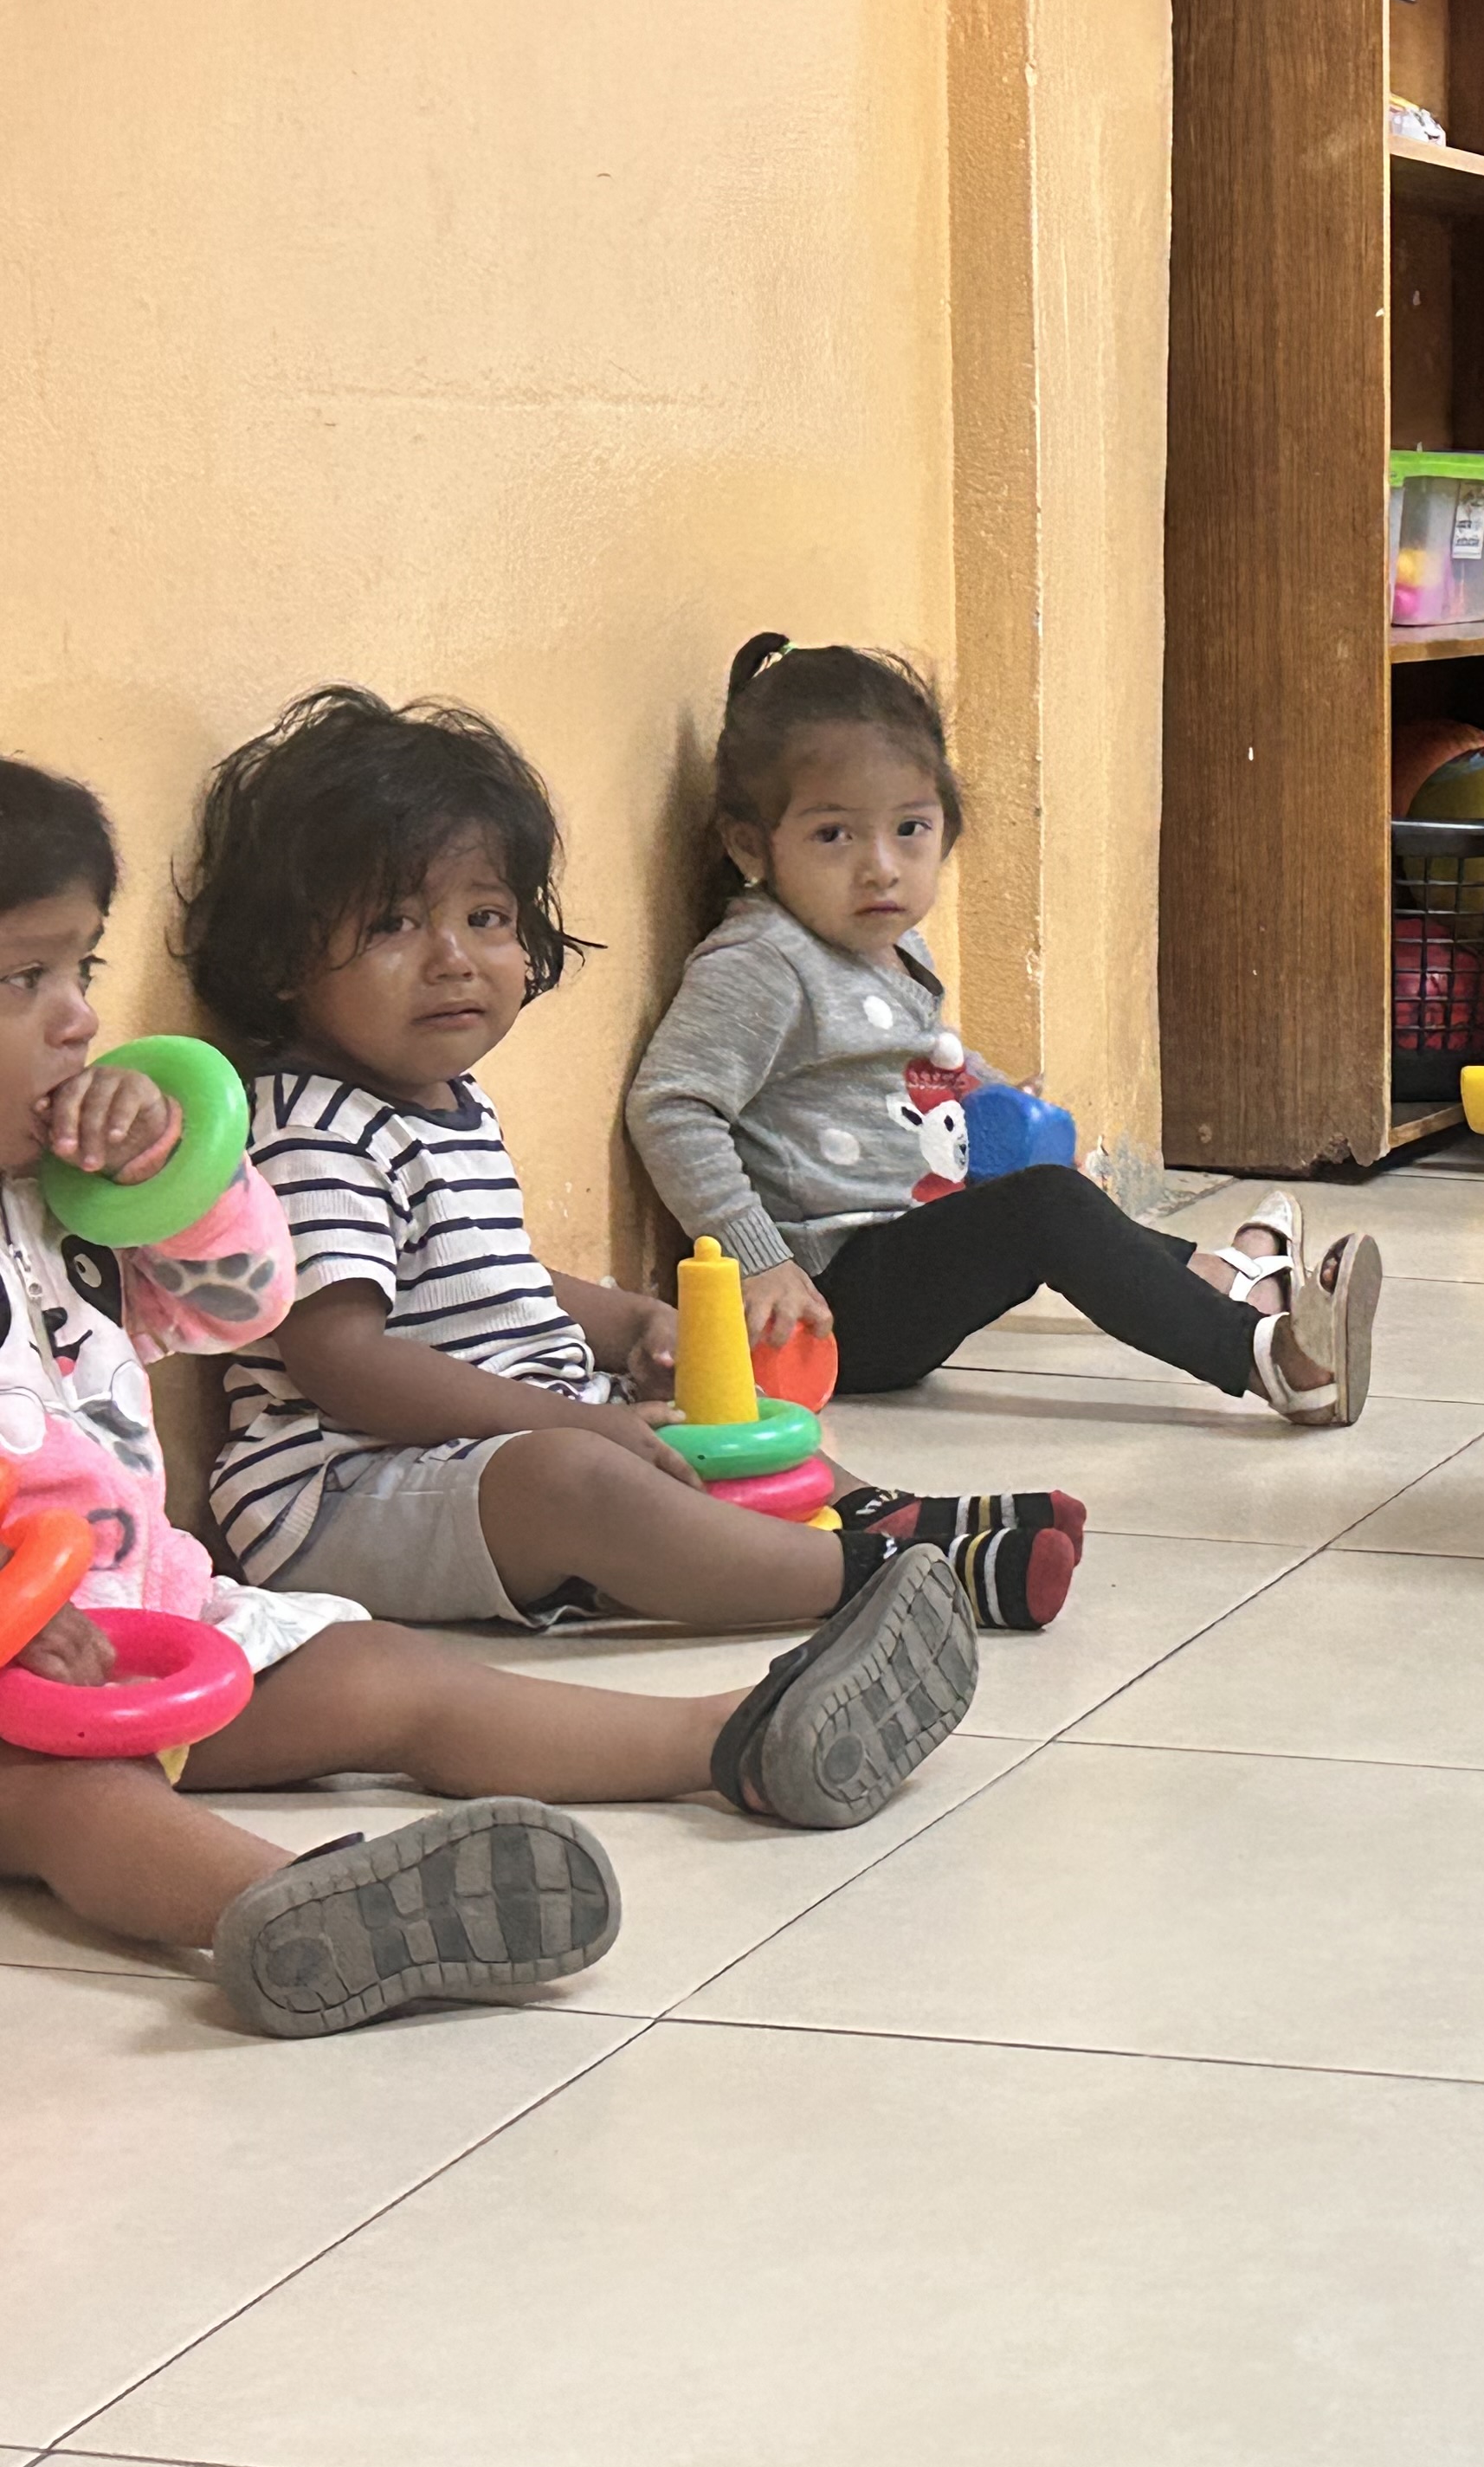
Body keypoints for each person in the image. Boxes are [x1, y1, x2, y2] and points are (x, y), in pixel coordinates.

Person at [0, 758, 978, 2037]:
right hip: (19, 1677)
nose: (79, 1021)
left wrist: (178, 1177)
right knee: (73, 1800)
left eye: (81, 968)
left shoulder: (53, 1197)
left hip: (150, 1622)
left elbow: (230, 1307)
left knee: (391, 1677)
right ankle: (294, 1907)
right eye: (22, 980)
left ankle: (733, 1738)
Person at [186, 688, 1081, 1635]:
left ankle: (876, 1512)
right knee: (579, 1474)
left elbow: (493, 1277)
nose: (454, 959)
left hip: (480, 1453)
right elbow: (341, 1361)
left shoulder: (447, 1102)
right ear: (282, 960)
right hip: (345, 1492)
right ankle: (870, 1578)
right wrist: (572, 1421)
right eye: (391, 926)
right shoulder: (310, 1128)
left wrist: (639, 1323)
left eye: (486, 917)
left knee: (707, 1408)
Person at [627, 635, 1378, 1424]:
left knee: (1052, 1197)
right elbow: (672, 1106)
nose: (881, 867)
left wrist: (994, 1100)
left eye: (910, 828)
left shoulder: (883, 944)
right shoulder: (762, 963)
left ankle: (1218, 1281)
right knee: (1044, 1210)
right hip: (824, 1305)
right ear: (751, 844)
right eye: (834, 835)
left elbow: (918, 1056)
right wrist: (759, 1262)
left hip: (896, 1252)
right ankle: (1271, 1362)